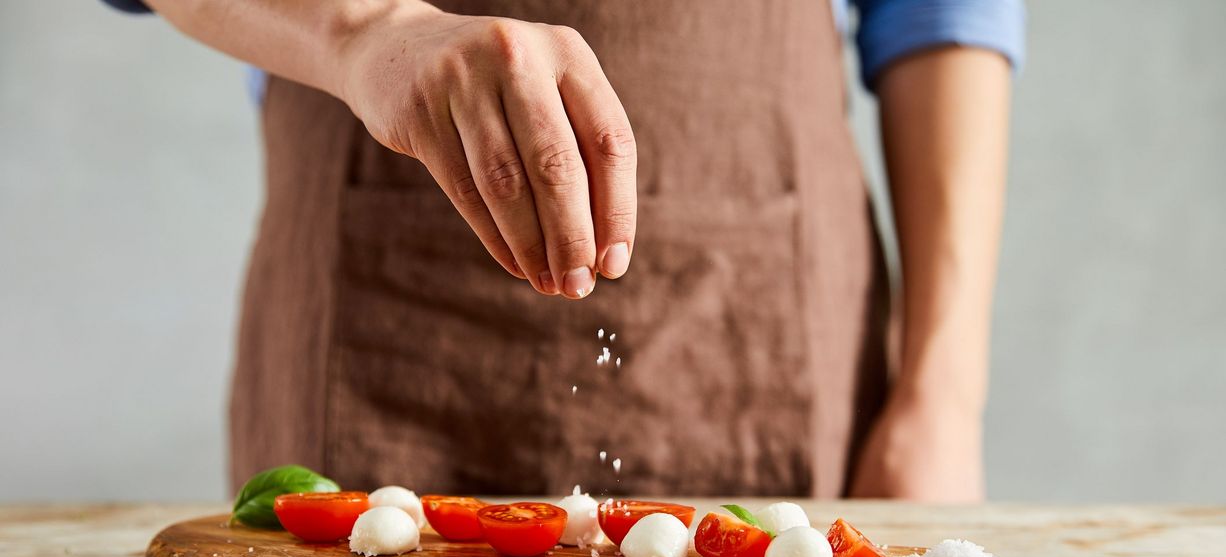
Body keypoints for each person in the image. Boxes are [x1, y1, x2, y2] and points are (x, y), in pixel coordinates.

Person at [101, 0, 1024, 502]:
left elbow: (946, 17)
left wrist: (942, 393)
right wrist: (363, 29)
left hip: (760, 303)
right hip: (365, 306)